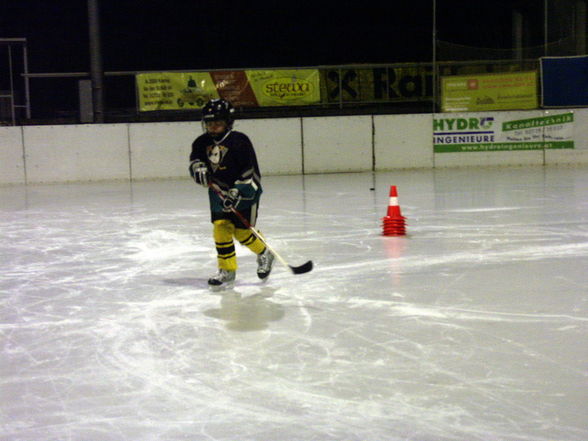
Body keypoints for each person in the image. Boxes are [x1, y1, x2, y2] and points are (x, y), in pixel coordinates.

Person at [189, 98, 274, 288]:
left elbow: (249, 170)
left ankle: (264, 252)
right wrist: (198, 169)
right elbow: (195, 161)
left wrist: (237, 191)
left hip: (246, 192)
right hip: (218, 191)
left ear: (228, 122)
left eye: (218, 123)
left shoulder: (239, 141)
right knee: (221, 226)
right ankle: (227, 270)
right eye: (209, 123)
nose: (213, 127)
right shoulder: (201, 142)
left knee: (242, 232)